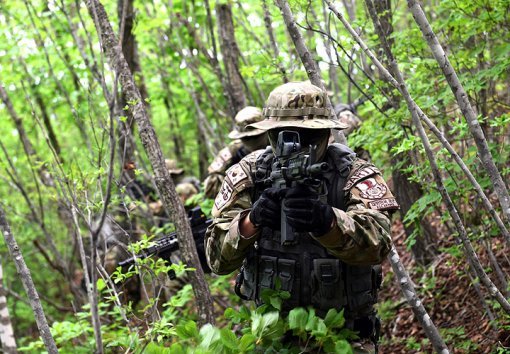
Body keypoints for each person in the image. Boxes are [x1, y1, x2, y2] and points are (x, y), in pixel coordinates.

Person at [205, 81, 399, 352]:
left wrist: (329, 222)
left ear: (326, 133)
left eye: (305, 136)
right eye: (283, 134)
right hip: (272, 336)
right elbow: (216, 260)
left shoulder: (353, 174)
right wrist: (251, 222)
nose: (292, 146)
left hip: (343, 336)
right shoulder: (249, 174)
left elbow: (379, 244)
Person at [203, 106, 268, 199]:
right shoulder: (233, 150)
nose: (251, 141)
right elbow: (212, 183)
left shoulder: (277, 142)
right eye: (246, 138)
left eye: (256, 137)